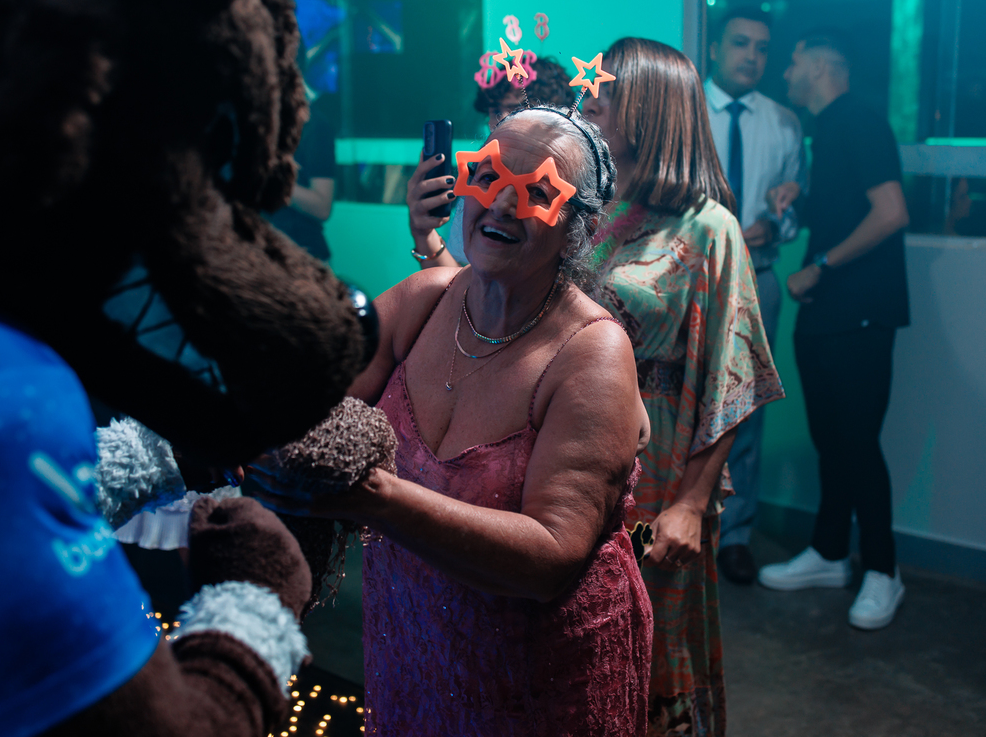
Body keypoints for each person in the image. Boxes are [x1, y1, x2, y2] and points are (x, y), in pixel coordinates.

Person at [251, 107, 654, 735]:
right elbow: (312, 404)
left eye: (537, 192)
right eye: (487, 177)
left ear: (581, 227)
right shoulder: (423, 300)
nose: (501, 205)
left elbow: (552, 557)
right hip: (412, 641)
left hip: (536, 677)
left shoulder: (592, 353)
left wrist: (375, 497)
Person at [583, 37, 785, 736]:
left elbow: (734, 374)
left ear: (649, 107)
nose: (587, 102)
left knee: (647, 640)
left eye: (603, 91)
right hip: (568, 443)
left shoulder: (709, 227)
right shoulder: (590, 207)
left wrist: (693, 506)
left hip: (658, 462)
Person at [757, 31, 911, 631]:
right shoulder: (827, 130)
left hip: (860, 312)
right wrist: (800, 196)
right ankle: (828, 552)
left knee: (857, 443)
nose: (785, 72)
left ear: (820, 66)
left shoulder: (859, 120)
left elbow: (891, 213)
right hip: (826, 313)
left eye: (793, 61)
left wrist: (821, 265)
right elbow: (847, 207)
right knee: (832, 440)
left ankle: (884, 570)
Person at [704, 6, 804, 584]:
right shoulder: (688, 112)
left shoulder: (784, 122)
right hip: (692, 277)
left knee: (744, 406)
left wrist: (777, 225)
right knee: (677, 399)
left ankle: (735, 535)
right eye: (740, 43)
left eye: (762, 48)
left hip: (757, 278)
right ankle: (670, 521)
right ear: (715, 48)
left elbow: (794, 207)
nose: (751, 56)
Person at [408, 57, 574, 268]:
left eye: (537, 192)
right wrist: (424, 234)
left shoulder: (574, 185)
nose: (501, 121)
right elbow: (464, 279)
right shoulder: (475, 183)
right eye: (495, 111)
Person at [271, 107, 337, 261]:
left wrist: (271, 178)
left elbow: (322, 207)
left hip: (298, 256)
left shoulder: (313, 125)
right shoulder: (242, 121)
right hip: (253, 252)